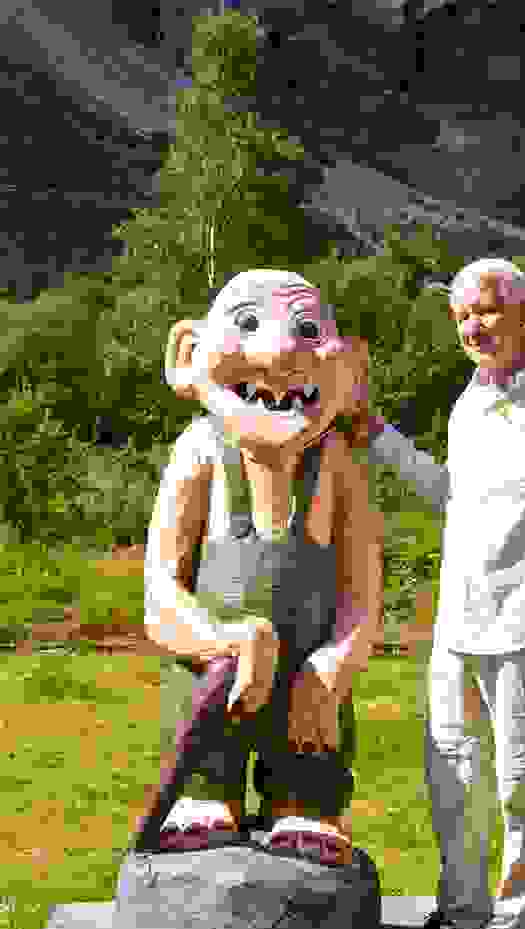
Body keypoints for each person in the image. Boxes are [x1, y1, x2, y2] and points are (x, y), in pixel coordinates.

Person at [348, 257, 525, 929]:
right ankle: (462, 919)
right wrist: (379, 435)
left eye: (487, 311)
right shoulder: (470, 403)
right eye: (462, 315)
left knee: (522, 787)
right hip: (460, 622)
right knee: (452, 778)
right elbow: (451, 495)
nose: (472, 326)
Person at [145, 269, 382, 866]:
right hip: (219, 680)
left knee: (314, 750)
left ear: (351, 370)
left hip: (309, 691)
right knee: (207, 717)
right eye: (248, 324)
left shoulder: (338, 464)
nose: (279, 353)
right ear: (188, 354)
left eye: (307, 331)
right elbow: (161, 595)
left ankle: (304, 800)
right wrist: (223, 639)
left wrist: (333, 666)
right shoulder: (200, 450)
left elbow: (362, 596)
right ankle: (207, 791)